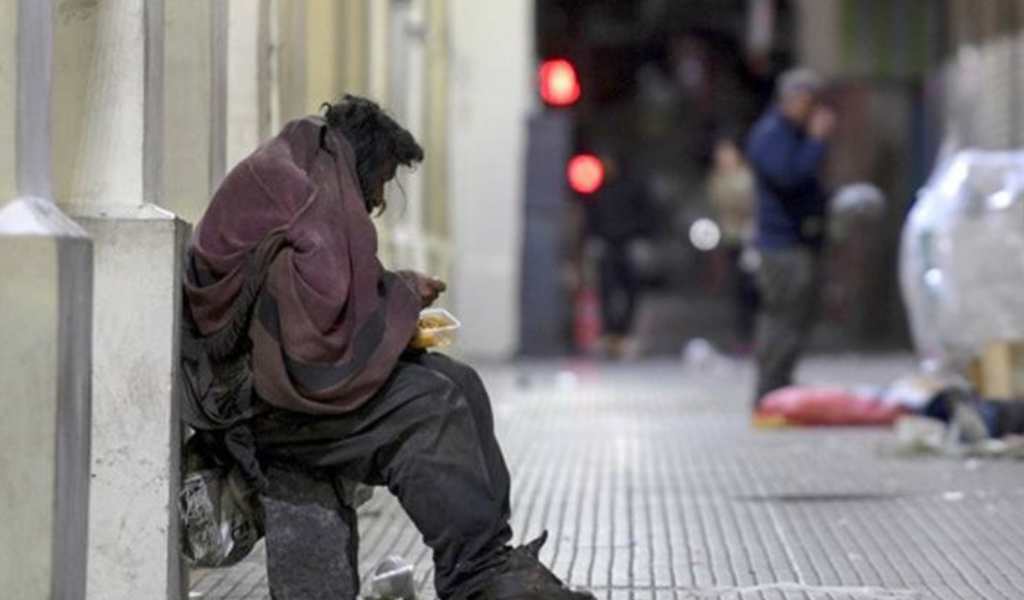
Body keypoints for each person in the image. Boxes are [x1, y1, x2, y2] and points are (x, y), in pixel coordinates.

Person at [182, 95, 595, 600]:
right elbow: (317, 338)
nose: (377, 201)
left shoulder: (303, 165)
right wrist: (400, 294)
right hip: (258, 408)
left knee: (457, 380)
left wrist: (393, 298)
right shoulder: (317, 189)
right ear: (368, 161)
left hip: (264, 380)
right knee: (431, 408)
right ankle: (476, 578)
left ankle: (490, 556)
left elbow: (319, 304)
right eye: (380, 183)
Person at [745, 68, 836, 407]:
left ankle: (779, 387)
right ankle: (769, 391)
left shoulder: (791, 134)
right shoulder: (772, 135)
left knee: (795, 320)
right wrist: (815, 141)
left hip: (798, 243)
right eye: (807, 102)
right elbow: (788, 176)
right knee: (782, 320)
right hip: (781, 247)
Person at [585, 156, 655, 359]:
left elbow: (647, 214)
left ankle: (624, 332)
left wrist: (642, 238)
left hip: (628, 244)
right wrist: (594, 239)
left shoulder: (634, 187)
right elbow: (593, 216)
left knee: (632, 290)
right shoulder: (600, 190)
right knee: (606, 290)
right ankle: (610, 333)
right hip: (607, 245)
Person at [706, 136, 758, 352]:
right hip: (729, 238)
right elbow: (716, 205)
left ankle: (753, 333)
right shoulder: (716, 179)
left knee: (751, 287)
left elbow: (750, 204)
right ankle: (742, 336)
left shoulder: (746, 177)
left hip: (749, 237)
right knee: (736, 288)